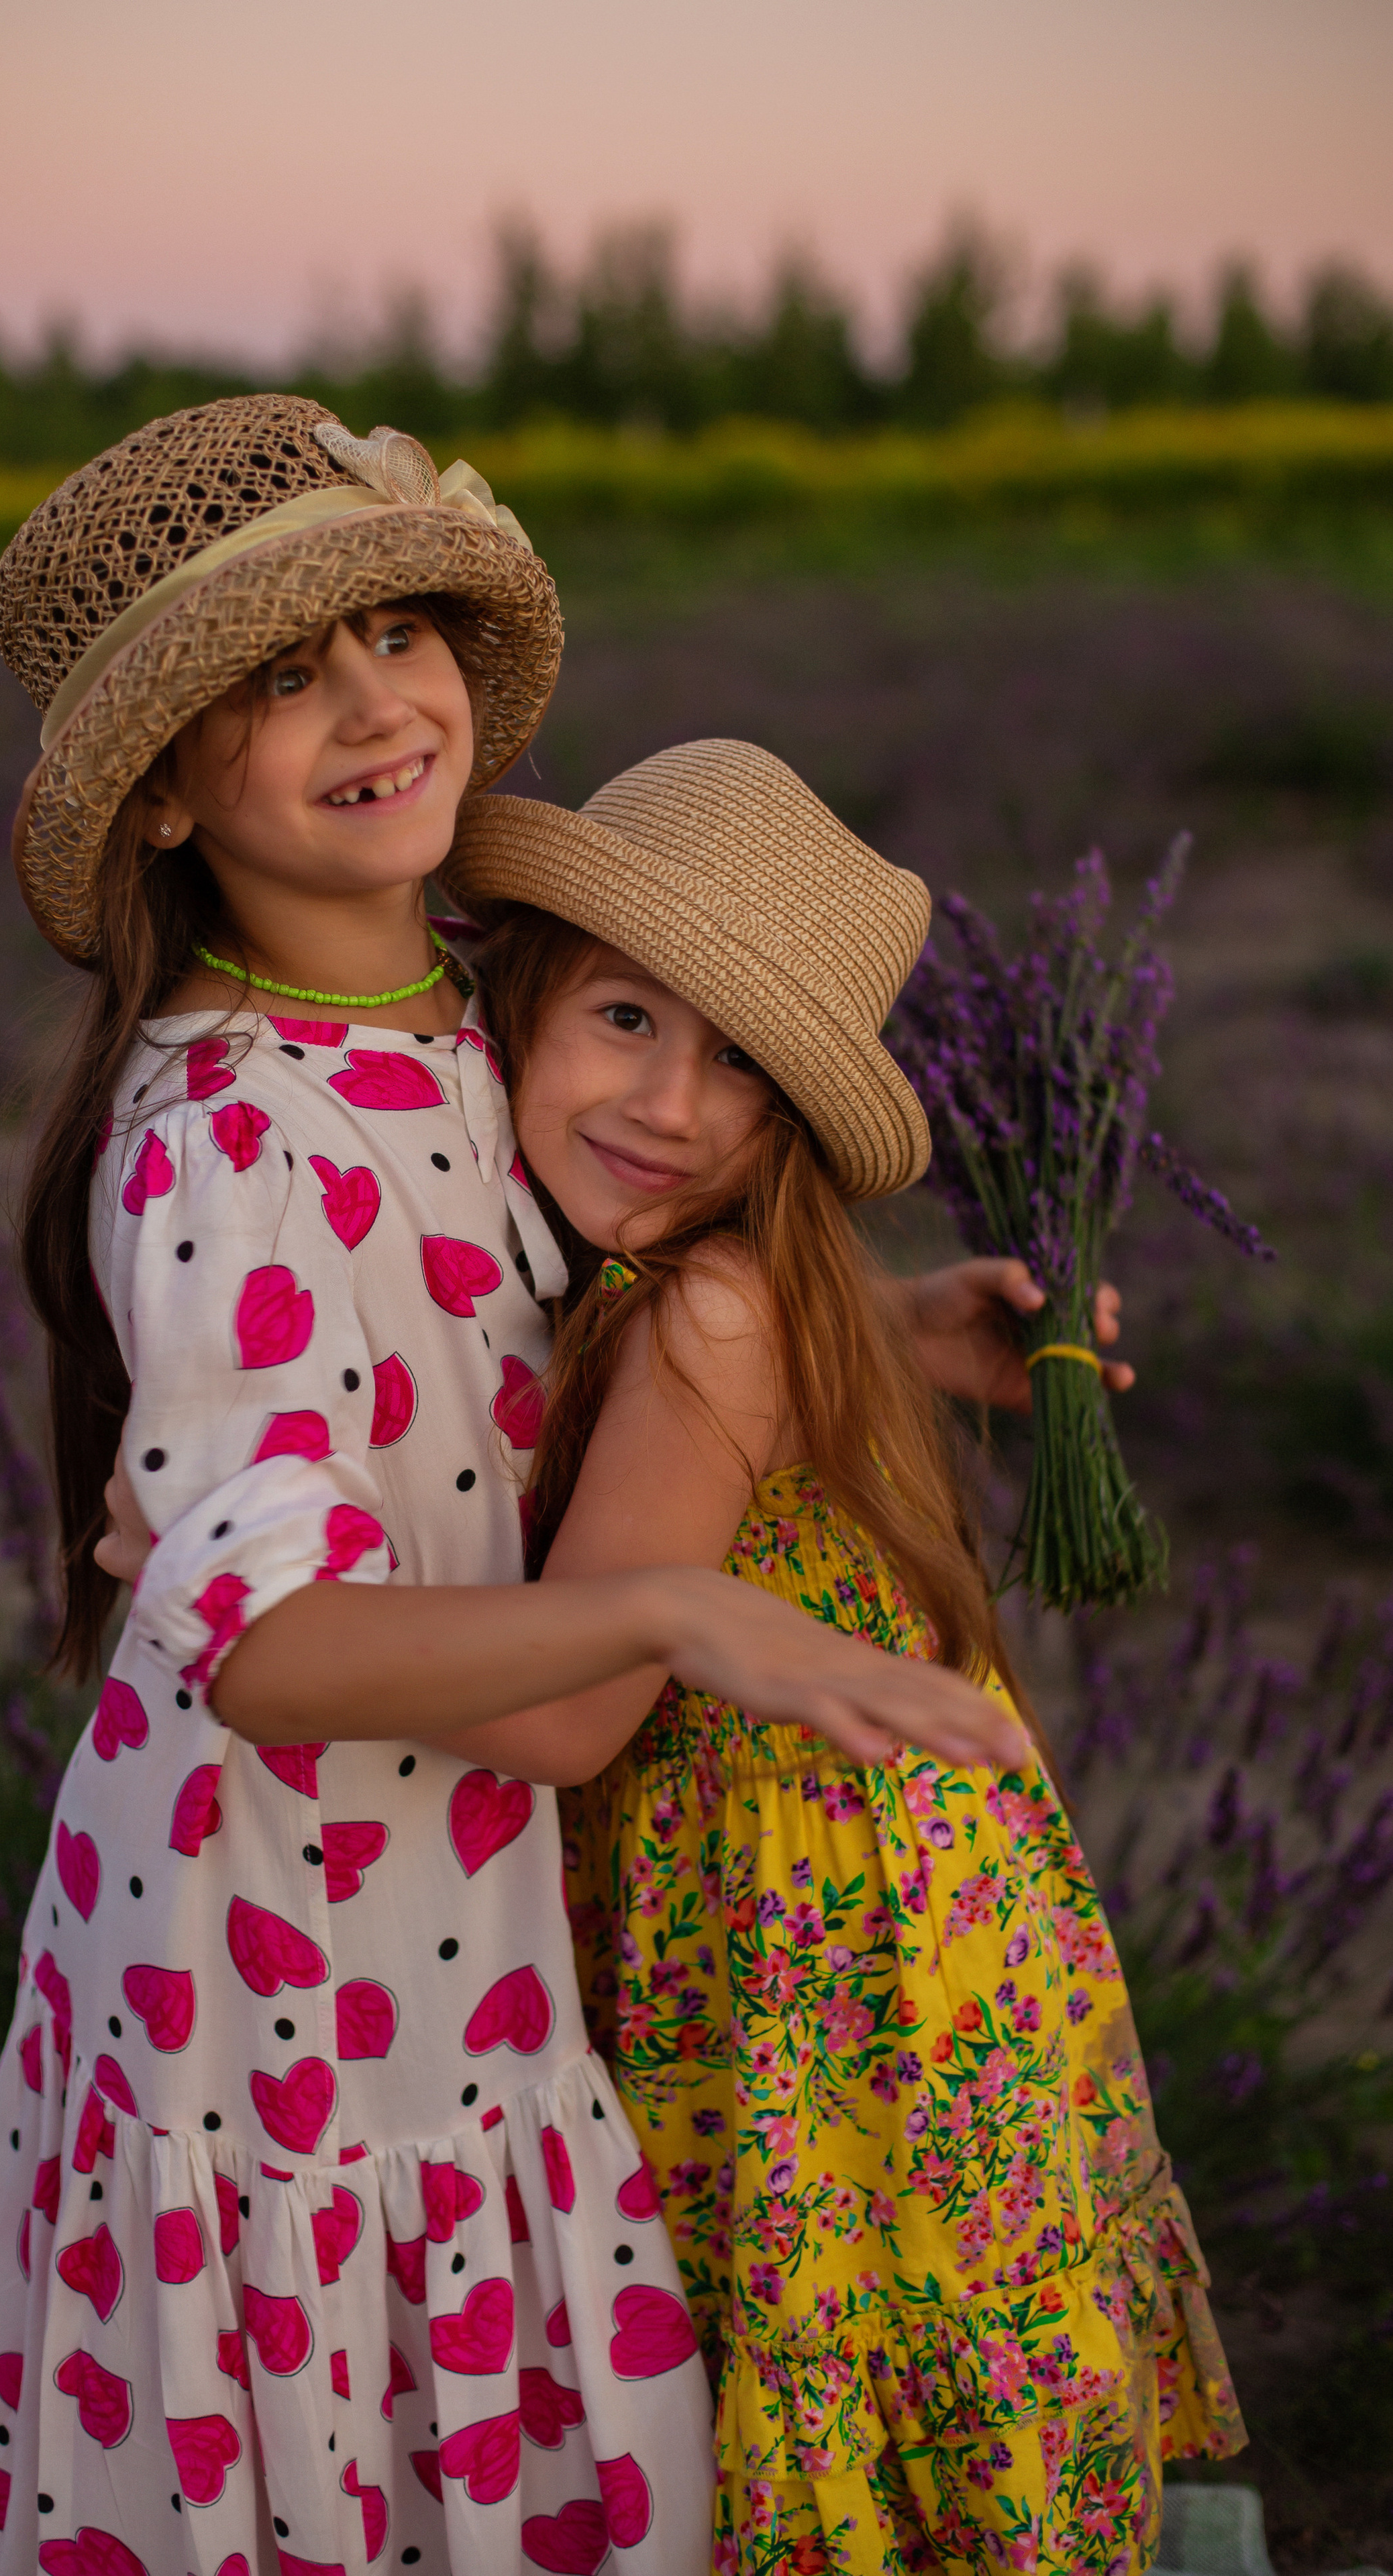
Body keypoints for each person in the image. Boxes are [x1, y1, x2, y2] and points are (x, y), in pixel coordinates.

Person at [0, 399, 1025, 2576]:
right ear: (167, 793)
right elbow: (269, 1658)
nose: (374, 702)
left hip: (442, 1911)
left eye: (395, 635)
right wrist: (679, 1613)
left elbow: (512, 1309)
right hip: (279, 1948)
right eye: (280, 675)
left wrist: (892, 1337)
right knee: (331, 2467)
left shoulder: (451, 1017)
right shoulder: (223, 1142)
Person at [422, 737, 1246, 2575]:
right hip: (902, 1952)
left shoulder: (702, 1314)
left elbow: (563, 1720)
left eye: (741, 1065)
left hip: (811, 1971)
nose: (673, 1104)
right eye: (628, 1017)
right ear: (526, 990)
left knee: (809, 2345)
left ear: (790, 1126)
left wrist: (267, 1610)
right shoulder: (722, 1288)